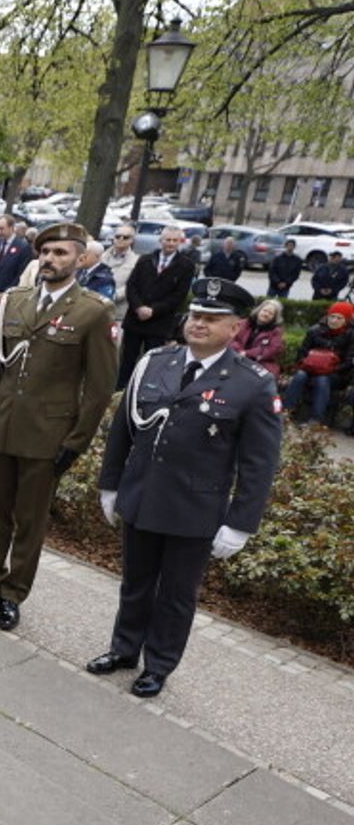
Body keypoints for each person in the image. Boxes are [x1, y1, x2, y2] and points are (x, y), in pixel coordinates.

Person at [89, 278, 281, 698]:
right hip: (141, 495)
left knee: (175, 595)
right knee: (135, 583)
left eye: (213, 319)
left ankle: (158, 665)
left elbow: (259, 463)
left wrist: (241, 524)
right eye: (196, 315)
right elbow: (123, 429)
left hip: (194, 509)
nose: (199, 324)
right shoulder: (156, 361)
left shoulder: (252, 383)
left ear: (235, 328)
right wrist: (111, 484)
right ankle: (124, 649)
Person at [0, 223, 117, 630]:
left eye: (61, 253)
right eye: (46, 252)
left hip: (47, 435)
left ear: (80, 259)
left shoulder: (93, 311)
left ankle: (13, 592)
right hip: (1, 426)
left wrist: (76, 442)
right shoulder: (16, 301)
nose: (50, 260)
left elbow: (99, 387)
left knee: (30, 519)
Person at [117, 225, 194, 389]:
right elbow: (132, 285)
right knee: (127, 360)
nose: (170, 243)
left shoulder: (186, 265)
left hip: (159, 322)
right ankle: (121, 390)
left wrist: (154, 310)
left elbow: (179, 296)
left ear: (180, 242)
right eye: (167, 240)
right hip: (135, 319)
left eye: (174, 240)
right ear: (161, 240)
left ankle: (143, 391)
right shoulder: (145, 259)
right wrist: (139, 307)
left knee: (152, 362)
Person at [281, 302, 354, 424]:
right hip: (310, 368)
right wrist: (305, 363)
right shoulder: (314, 330)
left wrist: (330, 370)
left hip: (336, 374)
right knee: (300, 375)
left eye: (339, 318)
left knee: (321, 379)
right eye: (332, 316)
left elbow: (349, 362)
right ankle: (285, 412)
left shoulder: (351, 335)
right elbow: (302, 353)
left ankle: (315, 420)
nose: (334, 320)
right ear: (328, 316)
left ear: (346, 319)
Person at [0, 214, 32, 345]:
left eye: (2, 228)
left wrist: (3, 294)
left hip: (8, 300)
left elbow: (20, 275)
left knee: (1, 335)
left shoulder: (23, 247)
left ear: (11, 228)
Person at [231, 299, 284, 380]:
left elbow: (272, 350)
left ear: (274, 318)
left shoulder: (276, 331)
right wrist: (239, 351)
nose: (266, 314)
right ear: (259, 310)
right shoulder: (243, 323)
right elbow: (231, 338)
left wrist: (247, 353)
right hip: (236, 356)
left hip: (259, 362)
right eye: (265, 310)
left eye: (270, 313)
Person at [104, 226, 141, 321]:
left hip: (118, 313)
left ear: (132, 240)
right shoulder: (101, 256)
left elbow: (132, 285)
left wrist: (111, 296)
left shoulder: (136, 261)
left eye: (125, 237)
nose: (121, 239)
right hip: (96, 309)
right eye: (118, 236)